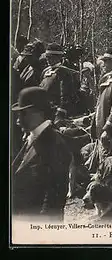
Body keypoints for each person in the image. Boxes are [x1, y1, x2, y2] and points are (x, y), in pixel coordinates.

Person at [11, 87, 72, 222]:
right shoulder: (31, 138)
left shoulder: (55, 144)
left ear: (37, 113)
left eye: (23, 114)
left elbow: (53, 202)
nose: (18, 121)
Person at [39, 43, 80, 126]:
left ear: (59, 57)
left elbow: (65, 95)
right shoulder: (45, 71)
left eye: (50, 57)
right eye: (46, 56)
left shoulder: (64, 72)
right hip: (43, 110)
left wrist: (60, 114)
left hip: (54, 113)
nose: (47, 59)